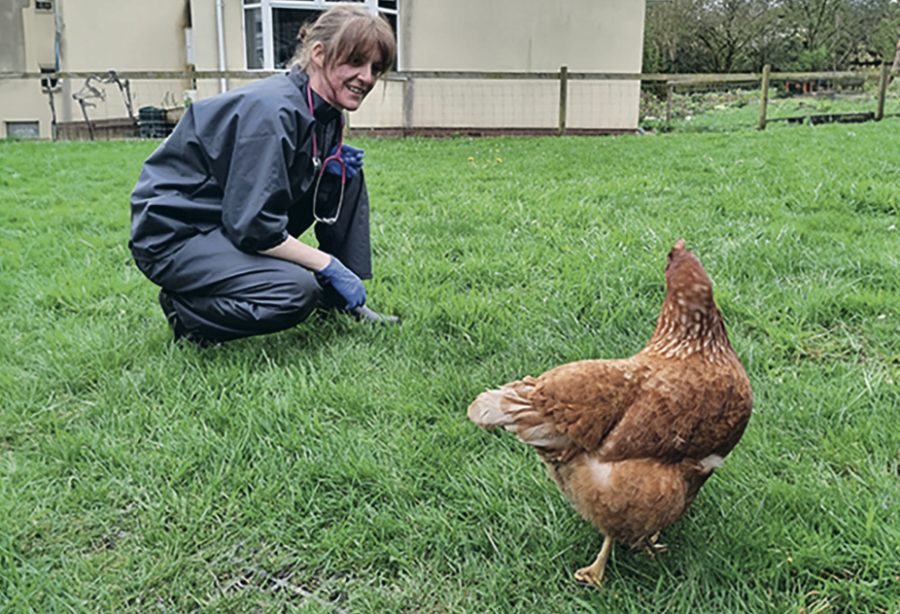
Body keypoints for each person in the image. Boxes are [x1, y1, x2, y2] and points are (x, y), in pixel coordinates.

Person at [129, 5, 398, 345]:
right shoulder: (273, 113)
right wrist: (326, 263)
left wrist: (328, 171)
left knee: (345, 173)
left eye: (376, 67)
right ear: (318, 53)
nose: (368, 78)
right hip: (177, 236)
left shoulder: (326, 111)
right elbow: (254, 227)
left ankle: (340, 300)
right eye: (356, 62)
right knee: (295, 291)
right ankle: (187, 314)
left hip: (225, 218)